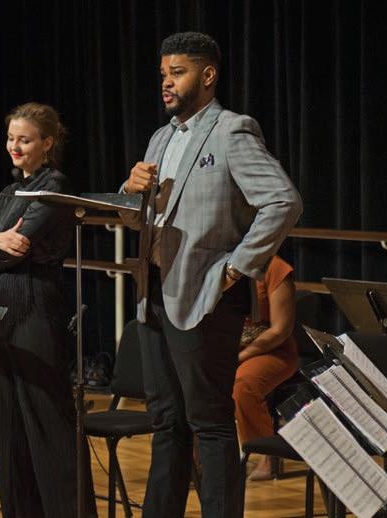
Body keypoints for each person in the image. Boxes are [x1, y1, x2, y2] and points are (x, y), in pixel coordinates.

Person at [121, 32, 302, 517]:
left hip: (205, 298)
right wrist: (130, 191)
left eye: (177, 73)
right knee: (166, 421)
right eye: (163, 74)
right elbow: (140, 218)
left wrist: (237, 267)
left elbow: (283, 201)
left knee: (210, 422)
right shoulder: (160, 137)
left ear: (207, 75)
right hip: (154, 293)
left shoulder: (232, 130)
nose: (166, 83)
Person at [0, 102, 94, 517]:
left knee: (46, 419)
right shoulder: (9, 191)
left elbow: (15, 252)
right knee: (7, 422)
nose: (14, 147)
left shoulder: (53, 188)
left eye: (24, 139)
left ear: (47, 143)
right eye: (10, 138)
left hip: (35, 304)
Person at [233, 255, 299, 480]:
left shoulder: (275, 268)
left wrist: (241, 356)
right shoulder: (218, 262)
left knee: (243, 385)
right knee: (193, 376)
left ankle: (265, 453)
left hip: (272, 351)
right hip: (228, 348)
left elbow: (281, 329)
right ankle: (196, 457)